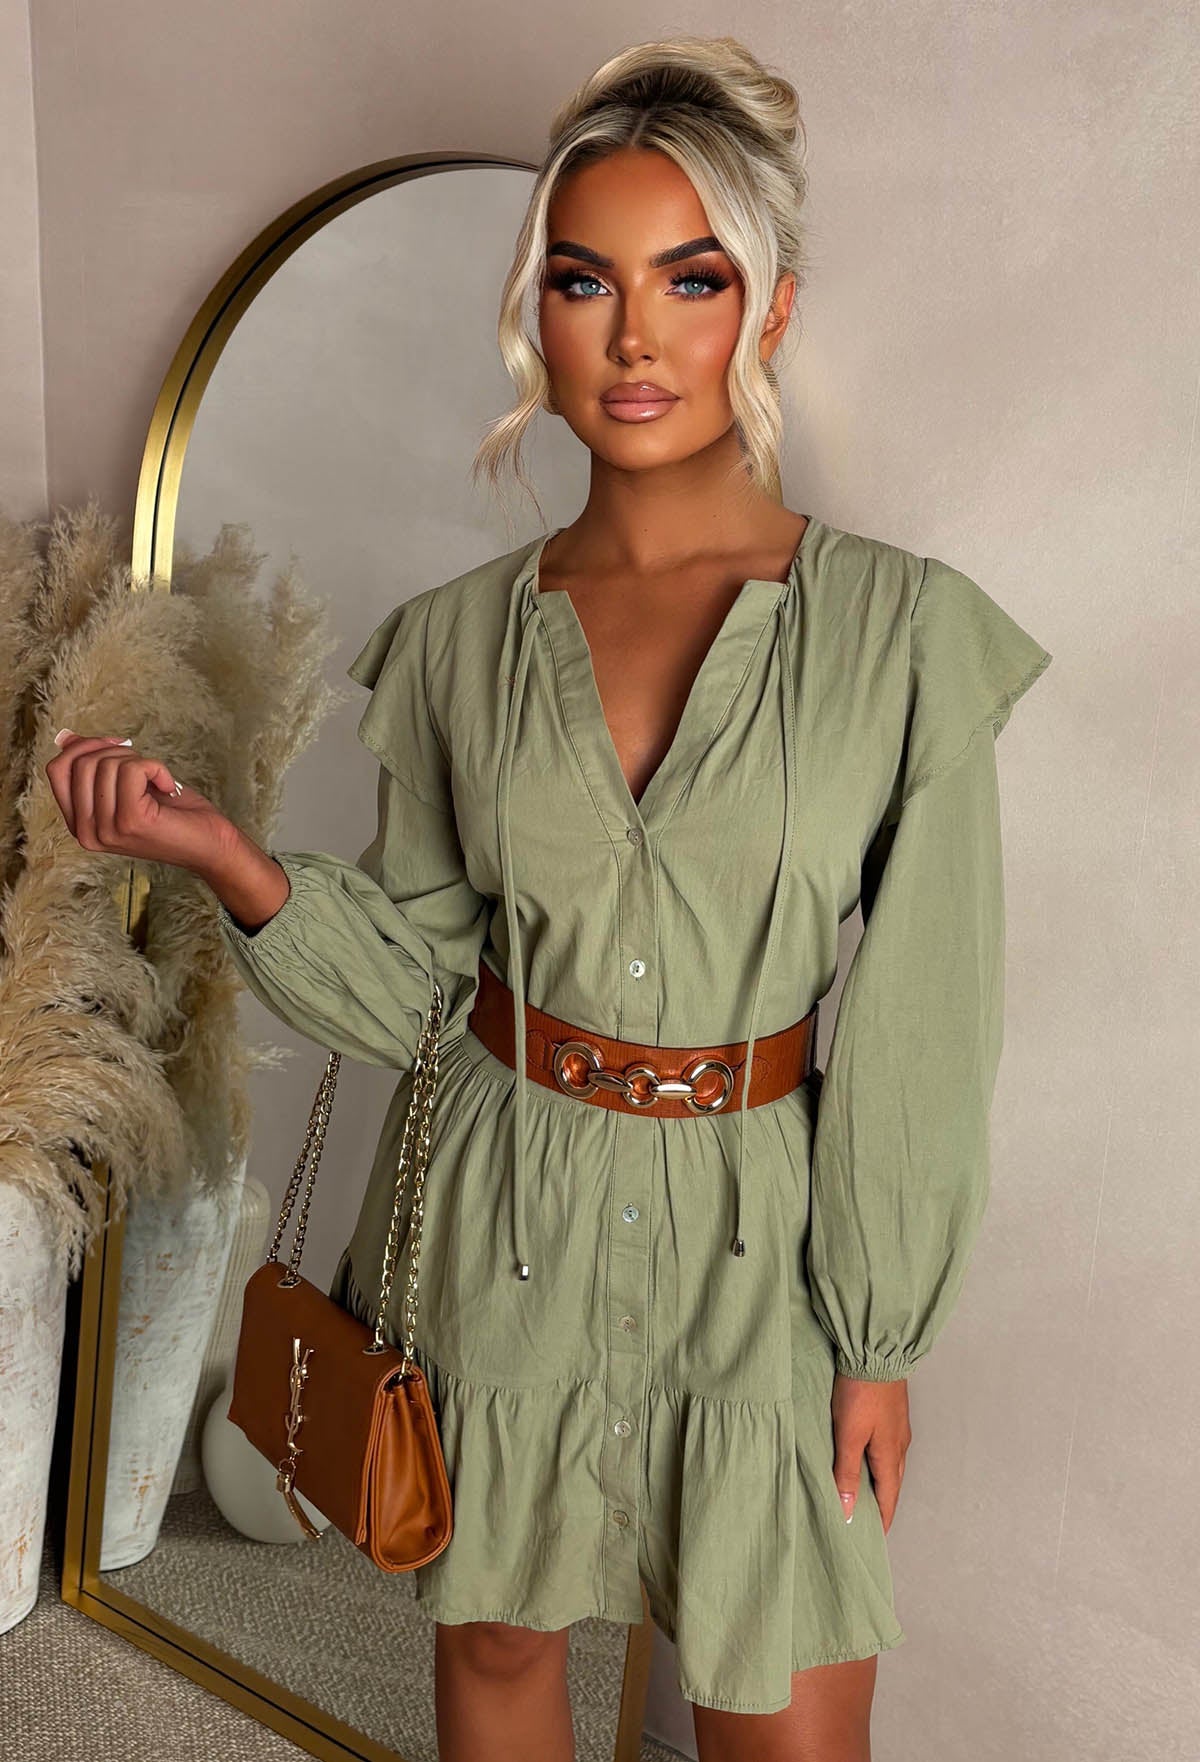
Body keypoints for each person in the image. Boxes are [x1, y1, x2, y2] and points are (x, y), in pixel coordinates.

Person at [46, 35, 1053, 1762]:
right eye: (586, 281)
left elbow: (927, 1023)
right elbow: (420, 985)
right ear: (537, 314)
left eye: (692, 279)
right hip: (507, 1203)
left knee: (778, 1697)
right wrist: (226, 855)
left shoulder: (899, 638)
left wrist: (877, 1340)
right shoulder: (456, 648)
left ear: (773, 311)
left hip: (764, 1236)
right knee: (502, 1645)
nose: (635, 336)